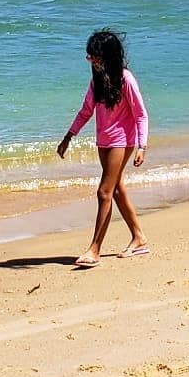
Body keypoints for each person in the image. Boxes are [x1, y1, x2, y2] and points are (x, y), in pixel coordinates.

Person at [56, 29, 150, 268]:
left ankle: (94, 249)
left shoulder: (126, 79)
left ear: (107, 56)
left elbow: (140, 115)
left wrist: (142, 146)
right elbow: (86, 110)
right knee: (117, 190)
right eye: (89, 56)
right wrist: (69, 136)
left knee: (104, 192)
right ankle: (139, 238)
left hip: (122, 141)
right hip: (104, 141)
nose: (91, 61)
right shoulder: (96, 81)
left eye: (94, 56)